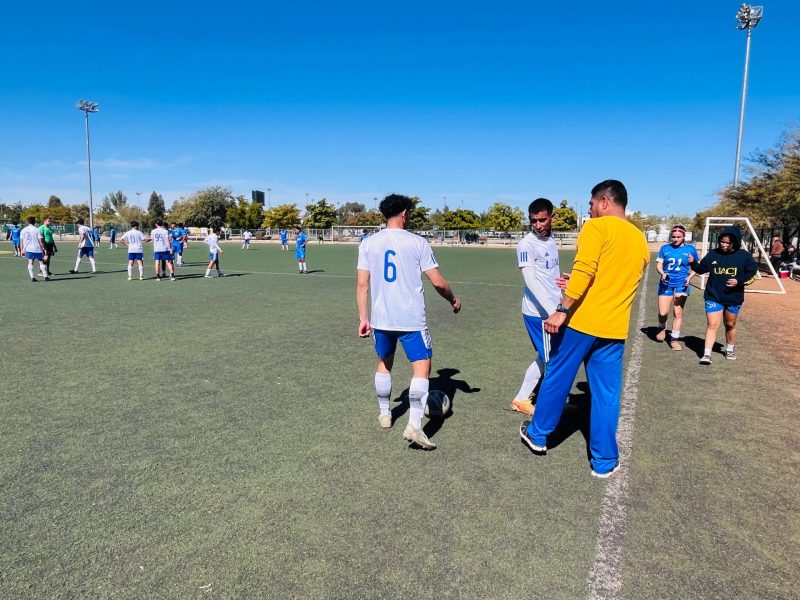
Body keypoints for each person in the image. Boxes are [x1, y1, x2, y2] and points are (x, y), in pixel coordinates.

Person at [519, 180, 649, 478]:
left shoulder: (595, 227)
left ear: (604, 201)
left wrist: (563, 308)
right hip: (614, 328)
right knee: (606, 395)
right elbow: (618, 278)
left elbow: (586, 268)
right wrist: (578, 283)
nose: (589, 210)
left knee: (557, 377)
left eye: (591, 204)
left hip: (582, 322)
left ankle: (538, 435)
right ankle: (604, 461)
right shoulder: (640, 239)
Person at [357, 194, 461, 450]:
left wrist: (363, 318)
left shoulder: (368, 243)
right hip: (411, 320)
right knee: (422, 367)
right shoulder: (417, 242)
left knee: (384, 363)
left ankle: (385, 415)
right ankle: (414, 425)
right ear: (404, 213)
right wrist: (453, 299)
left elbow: (362, 284)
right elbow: (438, 282)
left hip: (381, 319)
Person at [510, 198, 567, 416]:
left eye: (542, 220)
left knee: (546, 357)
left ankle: (522, 398)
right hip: (539, 313)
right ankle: (546, 405)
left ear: (552, 217)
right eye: (533, 221)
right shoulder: (526, 245)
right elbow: (532, 281)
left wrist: (562, 288)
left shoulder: (551, 239)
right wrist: (554, 311)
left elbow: (550, 272)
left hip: (554, 308)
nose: (538, 225)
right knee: (553, 359)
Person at [689, 226, 757, 364]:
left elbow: (752, 273)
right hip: (713, 295)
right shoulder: (713, 254)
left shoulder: (744, 256)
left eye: (727, 242)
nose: (723, 244)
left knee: (730, 324)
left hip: (733, 297)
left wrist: (739, 281)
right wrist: (693, 263)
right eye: (722, 241)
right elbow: (701, 269)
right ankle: (707, 355)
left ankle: (730, 349)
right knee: (712, 324)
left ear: (735, 242)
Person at [654, 225, 699, 351]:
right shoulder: (665, 248)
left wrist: (689, 277)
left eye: (679, 237)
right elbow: (659, 265)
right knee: (663, 312)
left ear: (684, 236)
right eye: (673, 237)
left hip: (681, 284)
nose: (676, 239)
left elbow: (696, 266)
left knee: (677, 312)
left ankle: (674, 339)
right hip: (666, 283)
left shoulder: (690, 249)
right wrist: (662, 273)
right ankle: (661, 327)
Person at [20, 216, 49, 282]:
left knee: (30, 262)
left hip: (28, 249)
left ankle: (32, 277)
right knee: (41, 262)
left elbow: (21, 241)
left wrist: (22, 250)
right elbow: (40, 240)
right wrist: (44, 248)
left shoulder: (23, 230)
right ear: (34, 222)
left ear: (28, 222)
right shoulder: (37, 229)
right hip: (37, 248)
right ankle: (45, 277)